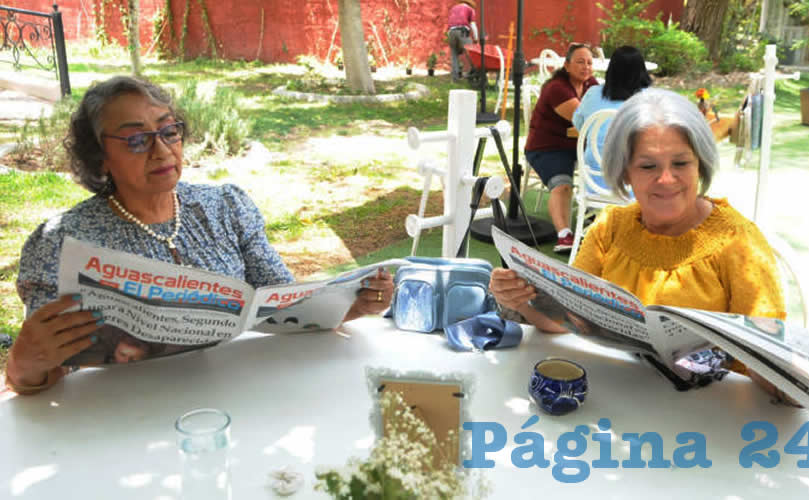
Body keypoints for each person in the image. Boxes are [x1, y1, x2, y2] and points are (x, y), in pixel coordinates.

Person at [6, 76, 394, 395]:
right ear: (100, 157)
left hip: (237, 393)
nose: (161, 151)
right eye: (137, 139)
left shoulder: (225, 207)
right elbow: (39, 379)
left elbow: (285, 309)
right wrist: (24, 366)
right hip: (120, 417)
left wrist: (347, 307)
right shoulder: (62, 242)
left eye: (169, 131)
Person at [493, 88, 809, 404]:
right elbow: (568, 321)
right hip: (621, 403)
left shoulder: (736, 241)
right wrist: (520, 301)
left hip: (714, 419)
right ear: (625, 173)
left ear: (701, 166)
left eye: (681, 163)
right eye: (648, 166)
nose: (667, 179)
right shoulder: (611, 228)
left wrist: (804, 381)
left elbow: (764, 360)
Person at [524, 43, 598, 253]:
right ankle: (564, 235)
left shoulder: (591, 84)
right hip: (547, 147)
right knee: (562, 185)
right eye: (580, 62)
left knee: (603, 167)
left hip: (576, 145)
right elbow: (584, 120)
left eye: (590, 63)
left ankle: (592, 222)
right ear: (566, 65)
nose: (586, 67)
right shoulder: (556, 88)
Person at [572, 45, 651, 192]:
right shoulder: (650, 99)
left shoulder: (593, 93)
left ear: (611, 69)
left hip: (593, 181)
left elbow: (579, 124)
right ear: (641, 71)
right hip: (631, 186)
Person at [446, 0, 479, 82]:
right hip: (462, 31)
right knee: (472, 53)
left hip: (451, 32)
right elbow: (473, 25)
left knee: (454, 54)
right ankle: (475, 73)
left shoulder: (454, 8)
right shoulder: (470, 9)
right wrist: (476, 38)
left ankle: (455, 78)